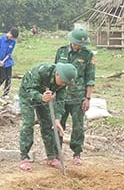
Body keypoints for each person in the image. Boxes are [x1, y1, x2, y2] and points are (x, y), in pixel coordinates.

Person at [18, 62, 78, 171]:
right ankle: (24, 158)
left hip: (46, 98)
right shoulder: (41, 71)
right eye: (63, 82)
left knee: (49, 124)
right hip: (28, 96)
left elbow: (60, 101)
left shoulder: (62, 84)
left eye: (66, 83)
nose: (64, 85)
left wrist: (57, 119)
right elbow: (29, 89)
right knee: (28, 123)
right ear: (57, 74)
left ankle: (51, 157)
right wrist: (41, 97)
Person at [55, 28, 96, 166]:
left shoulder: (88, 55)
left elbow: (90, 78)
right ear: (71, 41)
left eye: (81, 45)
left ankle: (77, 153)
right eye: (76, 43)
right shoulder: (61, 51)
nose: (78, 46)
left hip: (78, 97)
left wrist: (88, 98)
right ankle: (56, 153)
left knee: (78, 126)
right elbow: (55, 73)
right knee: (59, 123)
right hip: (61, 95)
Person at [0, 27, 19, 99]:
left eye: (13, 38)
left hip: (8, 61)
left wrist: (4, 61)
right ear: (9, 33)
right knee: (2, 77)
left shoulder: (13, 42)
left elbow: (9, 53)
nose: (11, 38)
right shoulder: (0, 40)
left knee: (9, 78)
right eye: (11, 37)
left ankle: (5, 94)